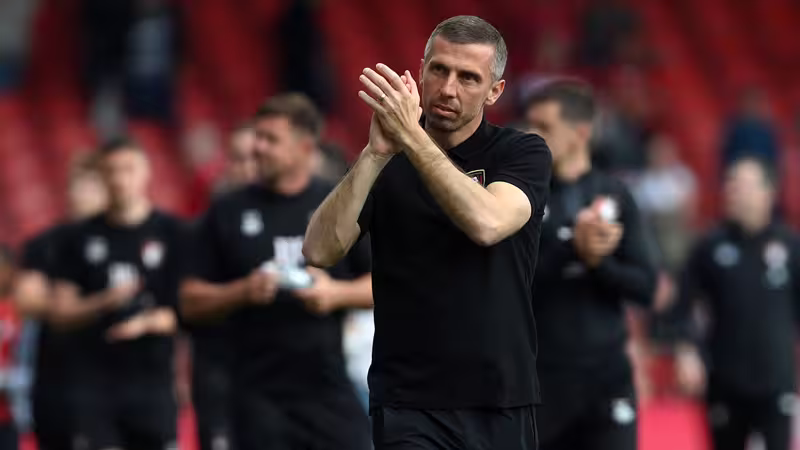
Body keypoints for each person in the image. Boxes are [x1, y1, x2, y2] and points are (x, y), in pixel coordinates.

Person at [304, 15, 552, 449]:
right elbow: (319, 251)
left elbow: (487, 223)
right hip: (407, 402)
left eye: (468, 78)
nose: (448, 89)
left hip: (498, 398)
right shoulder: (386, 162)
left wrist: (411, 137)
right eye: (439, 70)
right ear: (420, 71)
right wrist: (373, 154)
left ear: (495, 91)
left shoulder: (520, 153)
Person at [180, 93, 374, 450]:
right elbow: (189, 301)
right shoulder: (227, 210)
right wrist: (243, 291)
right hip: (254, 393)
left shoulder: (338, 205)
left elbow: (386, 286)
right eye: (258, 137)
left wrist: (336, 294)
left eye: (270, 139)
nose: (258, 148)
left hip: (326, 386)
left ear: (304, 147)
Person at [524, 79, 657, 450]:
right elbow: (511, 286)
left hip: (607, 378)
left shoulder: (615, 195)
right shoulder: (522, 196)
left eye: (544, 127)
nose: (532, 135)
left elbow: (645, 288)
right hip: (543, 380)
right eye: (529, 124)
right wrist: (572, 248)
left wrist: (598, 263)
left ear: (580, 133)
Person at [51, 139, 183, 450]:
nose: (120, 179)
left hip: (154, 385)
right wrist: (103, 301)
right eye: (111, 171)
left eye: (128, 169)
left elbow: (190, 309)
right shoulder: (79, 237)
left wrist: (149, 322)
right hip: (97, 387)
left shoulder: (174, 232)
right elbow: (60, 313)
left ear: (147, 172)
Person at [672, 157, 799, 450]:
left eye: (742, 185)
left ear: (768, 192)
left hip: (776, 381)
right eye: (729, 184)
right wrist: (686, 350)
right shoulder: (710, 246)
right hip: (725, 382)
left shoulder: (790, 247)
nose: (733, 192)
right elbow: (680, 307)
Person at [14, 153, 109, 450]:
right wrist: (94, 303)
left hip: (110, 379)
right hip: (56, 380)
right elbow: (27, 299)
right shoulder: (45, 244)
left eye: (91, 184)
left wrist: (63, 302)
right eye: (75, 184)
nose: (80, 192)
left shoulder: (123, 241)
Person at [189, 124, 257, 450]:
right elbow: (187, 301)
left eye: (254, 158)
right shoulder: (204, 230)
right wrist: (243, 291)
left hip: (283, 377)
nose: (247, 168)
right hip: (222, 373)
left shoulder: (306, 219)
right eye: (238, 159)